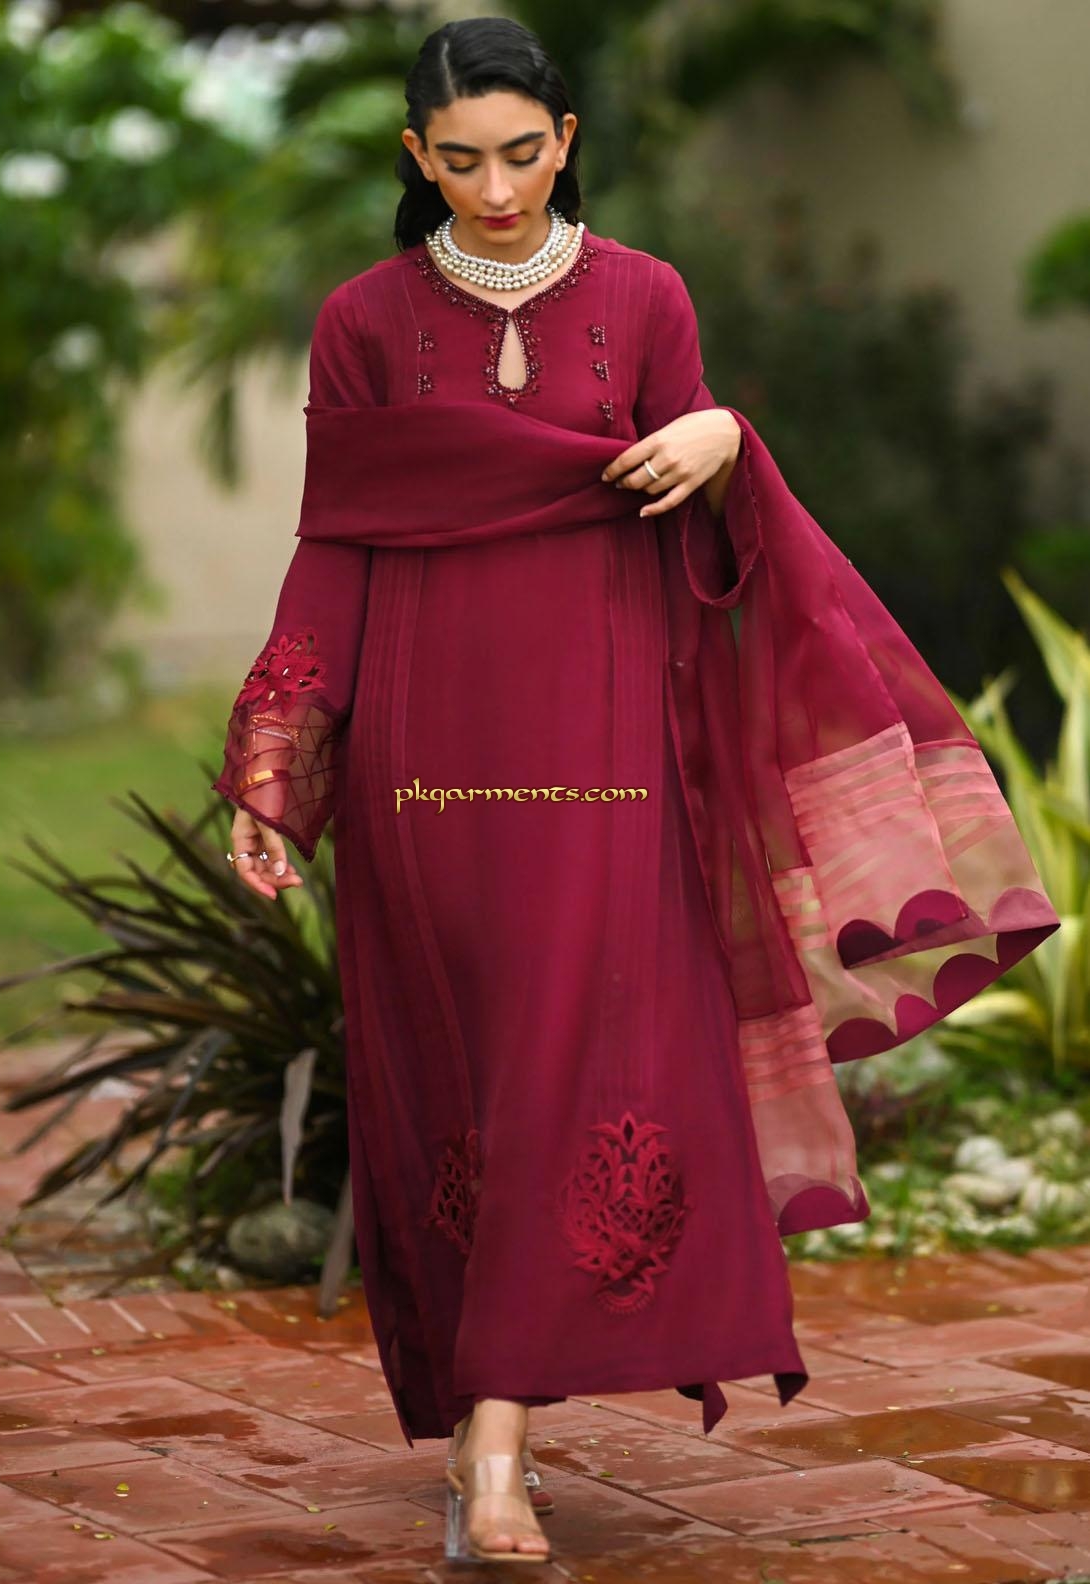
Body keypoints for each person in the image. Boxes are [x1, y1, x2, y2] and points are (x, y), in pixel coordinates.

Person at [211, 16, 1060, 1567]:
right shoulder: (360, 322)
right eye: (458, 161)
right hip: (424, 767)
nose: (494, 189)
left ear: (566, 139)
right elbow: (333, 552)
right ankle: (481, 1424)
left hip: (609, 748)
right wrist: (277, 774)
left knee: (569, 1064)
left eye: (519, 154)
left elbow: (706, 532)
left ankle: (494, 1455)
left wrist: (723, 438)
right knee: (458, 1085)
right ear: (414, 157)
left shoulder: (644, 298)